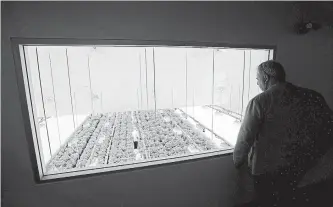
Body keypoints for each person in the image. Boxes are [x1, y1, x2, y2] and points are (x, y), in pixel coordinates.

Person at [233, 60, 333, 206]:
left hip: (267, 170)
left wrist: (238, 161)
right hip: (304, 168)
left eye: (257, 79)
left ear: (266, 78)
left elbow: (245, 138)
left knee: (267, 202)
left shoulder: (260, 102)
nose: (257, 82)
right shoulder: (312, 96)